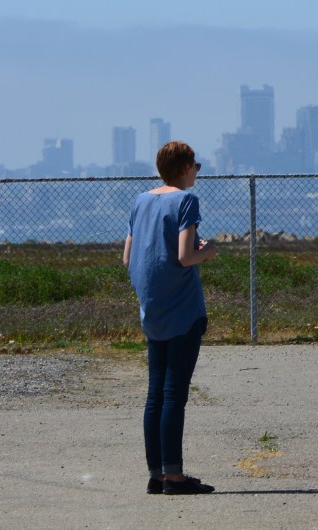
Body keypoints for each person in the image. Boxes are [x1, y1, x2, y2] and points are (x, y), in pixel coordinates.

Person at [123, 141, 218, 495]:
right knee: (174, 394)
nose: (198, 170)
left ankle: (157, 473)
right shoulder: (186, 200)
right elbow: (184, 255)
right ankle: (175, 477)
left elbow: (127, 257)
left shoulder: (140, 200)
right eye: (196, 164)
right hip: (183, 309)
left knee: (155, 395)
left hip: (153, 310)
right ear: (183, 168)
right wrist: (207, 252)